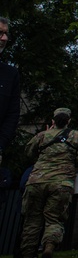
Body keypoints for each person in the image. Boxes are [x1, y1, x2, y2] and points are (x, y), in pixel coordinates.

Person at [19, 108, 78, 258]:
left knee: (32, 221)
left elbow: (28, 153)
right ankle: (49, 247)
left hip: (36, 181)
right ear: (68, 121)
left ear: (53, 121)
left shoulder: (42, 136)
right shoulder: (77, 136)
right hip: (61, 183)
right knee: (54, 219)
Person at [0, 17, 20, 168]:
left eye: (6, 34)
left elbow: (12, 113)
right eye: (0, 33)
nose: (4, 38)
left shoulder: (10, 74)